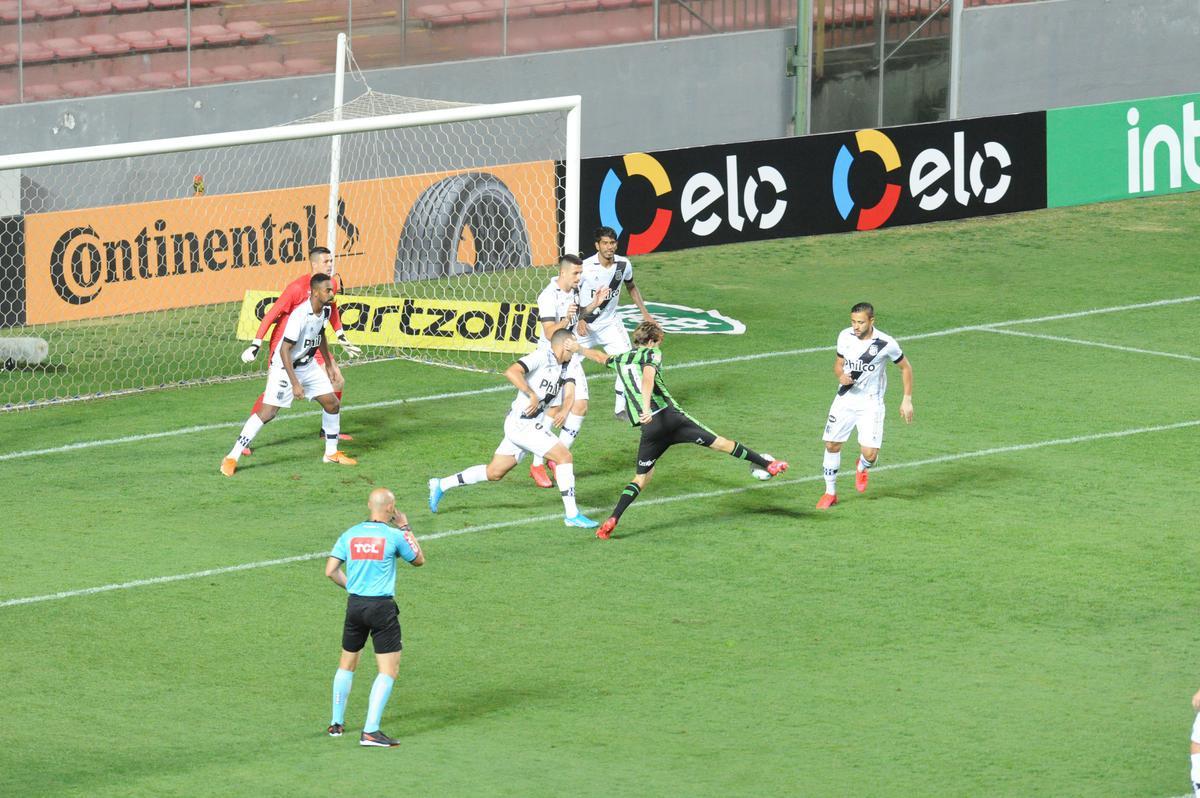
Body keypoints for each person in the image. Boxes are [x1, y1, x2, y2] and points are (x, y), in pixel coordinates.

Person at [579, 320, 789, 540]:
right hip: (671, 418)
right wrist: (646, 407)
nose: (659, 346)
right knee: (720, 443)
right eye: (659, 342)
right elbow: (648, 378)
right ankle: (769, 464)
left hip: (651, 430)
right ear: (651, 341)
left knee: (641, 478)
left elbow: (600, 357)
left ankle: (613, 518)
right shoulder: (652, 354)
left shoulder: (622, 359)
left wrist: (578, 348)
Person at [428, 328, 599, 528]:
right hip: (521, 424)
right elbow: (511, 371)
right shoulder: (542, 356)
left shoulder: (567, 365)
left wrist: (565, 408)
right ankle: (572, 514)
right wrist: (531, 393)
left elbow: (570, 392)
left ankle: (441, 484)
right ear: (563, 345)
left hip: (526, 425)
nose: (575, 347)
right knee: (564, 457)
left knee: (494, 472)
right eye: (572, 344)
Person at [220, 273, 356, 475]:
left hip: (307, 365)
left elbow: (320, 334)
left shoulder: (326, 309)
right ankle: (232, 457)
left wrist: (328, 364)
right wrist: (295, 384)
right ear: (315, 293)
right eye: (327, 290)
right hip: (285, 367)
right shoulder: (299, 316)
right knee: (268, 413)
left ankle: (331, 453)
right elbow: (284, 350)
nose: (332, 292)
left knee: (332, 404)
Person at [325, 487, 424, 747]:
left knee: (347, 663)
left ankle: (336, 724)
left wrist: (354, 588)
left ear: (370, 504)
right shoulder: (393, 535)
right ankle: (370, 731)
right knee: (388, 670)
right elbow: (418, 559)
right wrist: (406, 527)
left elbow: (331, 571)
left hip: (355, 606)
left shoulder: (350, 534)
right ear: (391, 509)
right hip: (381, 609)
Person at [239, 246, 362, 455]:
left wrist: (340, 335)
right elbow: (272, 314)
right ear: (314, 264)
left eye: (331, 261)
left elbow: (332, 311)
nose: (330, 265)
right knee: (273, 398)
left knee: (337, 380)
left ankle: (327, 431)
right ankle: (244, 440)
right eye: (326, 261)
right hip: (286, 345)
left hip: (312, 342)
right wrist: (256, 343)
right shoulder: (297, 288)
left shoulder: (328, 285)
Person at [815, 302, 914, 509]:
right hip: (845, 400)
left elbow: (905, 368)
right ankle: (830, 493)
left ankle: (862, 466)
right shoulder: (844, 336)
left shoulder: (886, 343)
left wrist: (907, 399)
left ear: (871, 321)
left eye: (860, 322)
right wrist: (840, 376)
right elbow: (838, 364)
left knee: (870, 454)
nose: (856, 326)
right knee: (832, 445)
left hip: (871, 404)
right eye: (853, 321)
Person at [528, 253, 610, 489]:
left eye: (580, 272)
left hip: (571, 352)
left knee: (581, 405)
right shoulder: (547, 296)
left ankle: (557, 454)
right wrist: (566, 319)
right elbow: (548, 332)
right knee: (553, 409)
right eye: (576, 273)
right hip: (552, 357)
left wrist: (595, 303)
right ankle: (537, 464)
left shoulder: (573, 289)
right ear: (563, 272)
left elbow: (578, 314)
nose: (579, 277)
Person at [576, 226, 656, 420]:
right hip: (585, 326)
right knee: (561, 362)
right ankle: (535, 403)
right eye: (605, 243)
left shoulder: (623, 265)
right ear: (597, 245)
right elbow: (572, 293)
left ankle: (621, 409)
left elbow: (632, 287)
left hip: (610, 323)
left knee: (627, 362)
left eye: (612, 243)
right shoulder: (585, 267)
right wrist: (579, 319)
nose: (609, 247)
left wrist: (646, 315)